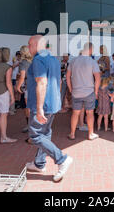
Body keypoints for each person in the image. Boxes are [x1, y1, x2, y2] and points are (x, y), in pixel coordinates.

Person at [25, 35, 73, 182]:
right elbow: (57, 82)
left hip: (42, 104)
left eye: (29, 45)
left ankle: (61, 159)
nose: (28, 48)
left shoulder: (38, 59)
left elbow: (42, 83)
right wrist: (58, 100)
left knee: (36, 136)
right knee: (45, 133)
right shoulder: (53, 59)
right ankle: (39, 163)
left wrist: (39, 108)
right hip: (53, 103)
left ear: (36, 45)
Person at [67, 42, 100, 141]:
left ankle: (72, 134)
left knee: (75, 113)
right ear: (90, 50)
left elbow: (68, 76)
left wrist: (70, 89)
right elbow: (98, 78)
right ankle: (91, 134)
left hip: (76, 92)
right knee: (90, 113)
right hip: (89, 92)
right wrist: (96, 91)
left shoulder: (73, 61)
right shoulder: (92, 62)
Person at [15, 46, 32, 134]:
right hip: (38, 86)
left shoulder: (23, 62)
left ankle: (30, 126)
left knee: (27, 107)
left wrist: (18, 86)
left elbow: (22, 76)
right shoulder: (35, 60)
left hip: (28, 86)